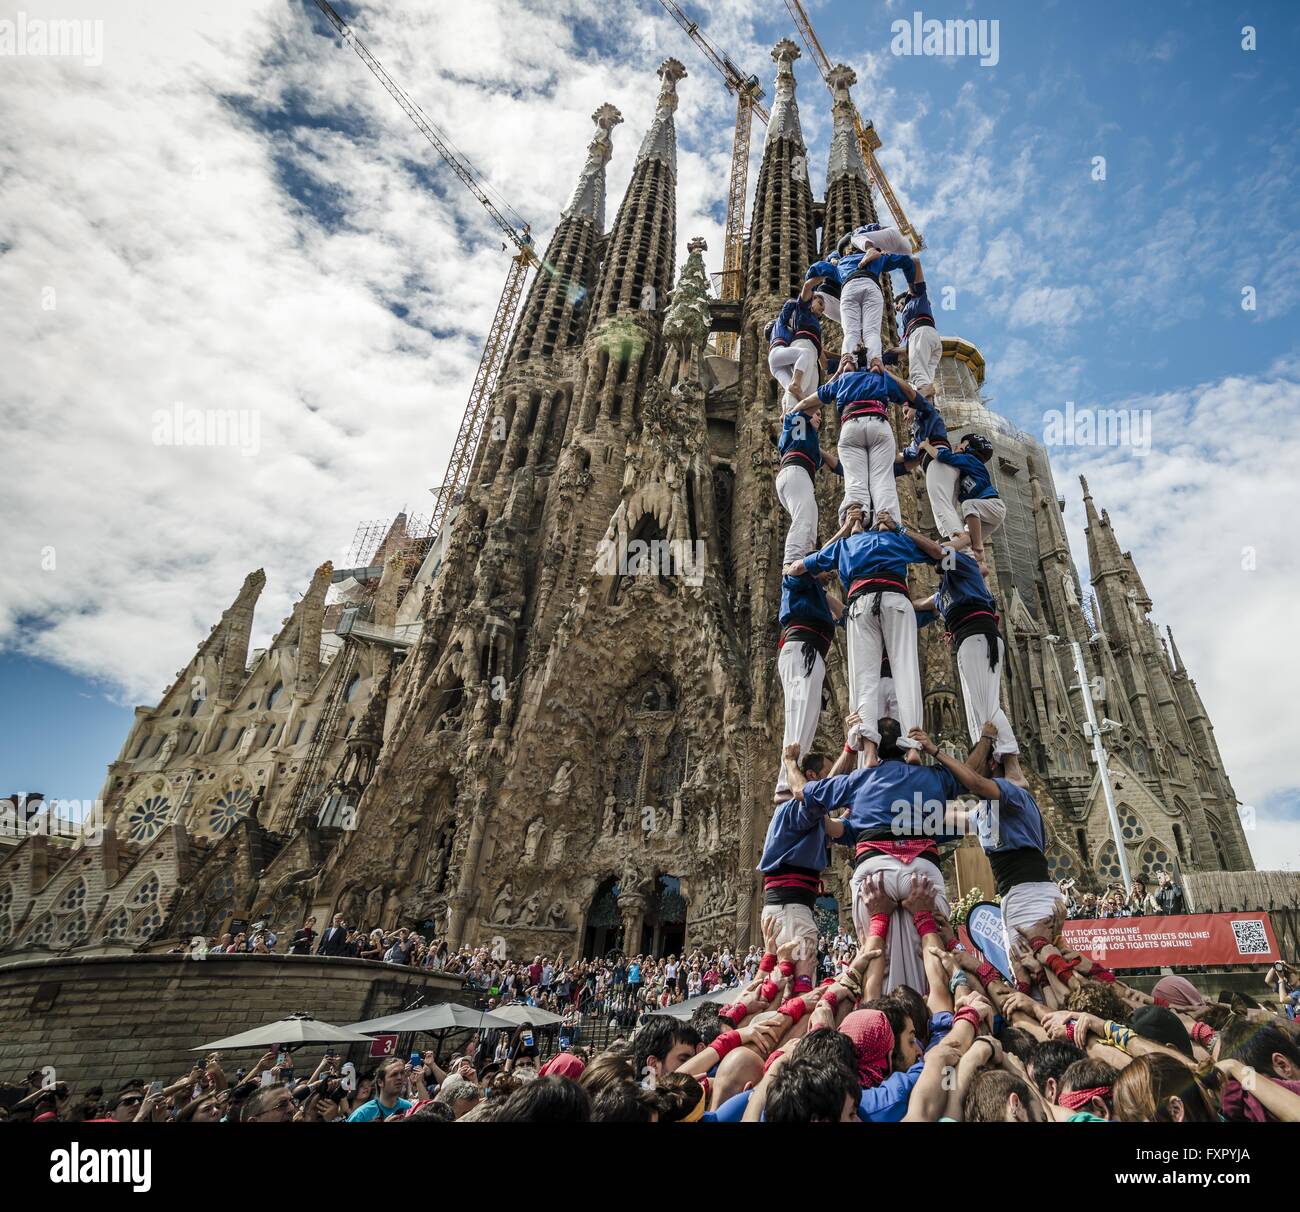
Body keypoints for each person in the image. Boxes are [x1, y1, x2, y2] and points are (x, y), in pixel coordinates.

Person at [785, 717, 961, 994]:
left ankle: (876, 1013)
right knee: (932, 954)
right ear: (906, 749)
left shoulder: (859, 780)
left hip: (875, 871)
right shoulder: (932, 777)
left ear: (874, 750)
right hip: (923, 868)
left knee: (877, 955)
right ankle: (937, 1013)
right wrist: (934, 751)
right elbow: (971, 775)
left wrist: (789, 761)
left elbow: (800, 791)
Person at [786, 508, 948, 765]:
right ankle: (914, 747)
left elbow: (798, 567)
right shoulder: (895, 539)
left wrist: (839, 537)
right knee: (907, 673)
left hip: (862, 603)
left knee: (863, 681)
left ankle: (869, 751)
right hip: (895, 599)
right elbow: (941, 555)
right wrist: (901, 529)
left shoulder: (846, 545)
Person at [911, 722, 1065, 982]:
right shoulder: (986, 811)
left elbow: (973, 781)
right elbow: (938, 815)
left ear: (992, 764)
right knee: (1028, 975)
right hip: (1013, 896)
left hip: (1031, 894)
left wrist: (935, 751)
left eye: (977, 761)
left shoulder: (1013, 794)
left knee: (1040, 976)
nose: (970, 770)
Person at [911, 547, 1023, 780]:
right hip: (970, 642)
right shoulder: (943, 593)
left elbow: (975, 564)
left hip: (978, 636)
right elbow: (920, 604)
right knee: (977, 710)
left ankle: (1013, 767)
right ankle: (995, 763)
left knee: (987, 706)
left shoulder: (960, 567)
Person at [760, 744, 856, 992]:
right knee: (795, 988)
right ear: (812, 777)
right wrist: (790, 761)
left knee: (786, 988)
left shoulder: (812, 817)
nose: (833, 783)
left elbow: (839, 828)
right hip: (790, 911)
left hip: (790, 908)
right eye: (826, 773)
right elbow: (811, 794)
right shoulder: (796, 809)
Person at [798, 361, 923, 529]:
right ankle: (885, 522)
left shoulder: (843, 379)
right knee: (883, 480)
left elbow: (807, 402)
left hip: (850, 424)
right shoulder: (880, 378)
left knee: (854, 481)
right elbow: (909, 394)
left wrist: (791, 414)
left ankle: (855, 521)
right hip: (878, 423)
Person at [773, 561, 845, 801]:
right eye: (827, 568)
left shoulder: (817, 594)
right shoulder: (797, 581)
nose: (831, 574)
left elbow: (844, 614)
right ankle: (786, 783)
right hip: (802, 650)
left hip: (812, 656)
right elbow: (794, 569)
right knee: (799, 713)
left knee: (807, 717)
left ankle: (788, 779)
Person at [919, 432, 1004, 568]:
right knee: (964, 540)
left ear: (968, 447)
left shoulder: (970, 460)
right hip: (986, 516)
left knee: (968, 505)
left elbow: (943, 456)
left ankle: (978, 549)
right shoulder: (963, 471)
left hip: (992, 506)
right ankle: (975, 565)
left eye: (961, 444)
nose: (957, 446)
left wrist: (926, 446)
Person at [836, 240, 922, 369]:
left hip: (849, 288)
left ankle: (848, 361)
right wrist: (911, 286)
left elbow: (819, 269)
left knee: (850, 332)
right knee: (871, 332)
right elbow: (906, 260)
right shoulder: (877, 256)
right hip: (871, 286)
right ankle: (875, 362)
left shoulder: (841, 263)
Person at [775, 401, 842, 565]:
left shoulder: (810, 444)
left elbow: (835, 465)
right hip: (796, 472)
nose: (820, 418)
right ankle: (791, 562)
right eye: (817, 414)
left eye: (821, 415)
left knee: (811, 525)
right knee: (804, 519)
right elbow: (801, 404)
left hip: (797, 476)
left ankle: (804, 563)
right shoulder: (798, 423)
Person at [767, 281, 826, 409]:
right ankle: (797, 385)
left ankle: (785, 413)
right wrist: (798, 303)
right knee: (805, 354)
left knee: (791, 390)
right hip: (777, 353)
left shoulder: (790, 332)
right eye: (820, 304)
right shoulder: (780, 324)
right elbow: (789, 305)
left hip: (777, 364)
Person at [346, 1057, 414, 1121]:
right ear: (380, 1082)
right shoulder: (361, 1115)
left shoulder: (409, 1107)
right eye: (394, 1074)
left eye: (402, 1073)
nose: (399, 1077)